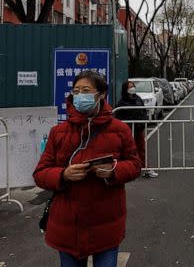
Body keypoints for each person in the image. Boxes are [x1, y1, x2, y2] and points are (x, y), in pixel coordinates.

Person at [34, 70, 141, 267]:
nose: (80, 95)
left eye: (86, 90)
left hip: (106, 223)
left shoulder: (119, 130)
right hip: (67, 225)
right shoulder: (58, 132)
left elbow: (135, 165)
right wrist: (63, 174)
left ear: (100, 95)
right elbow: (40, 173)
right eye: (76, 91)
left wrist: (113, 170)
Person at [115, 80, 158, 178]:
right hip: (128, 131)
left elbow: (142, 110)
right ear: (125, 89)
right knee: (128, 150)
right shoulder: (122, 102)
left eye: (133, 86)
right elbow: (119, 116)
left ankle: (145, 168)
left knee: (141, 148)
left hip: (139, 128)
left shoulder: (138, 98)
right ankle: (128, 169)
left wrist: (144, 120)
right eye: (129, 87)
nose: (132, 88)